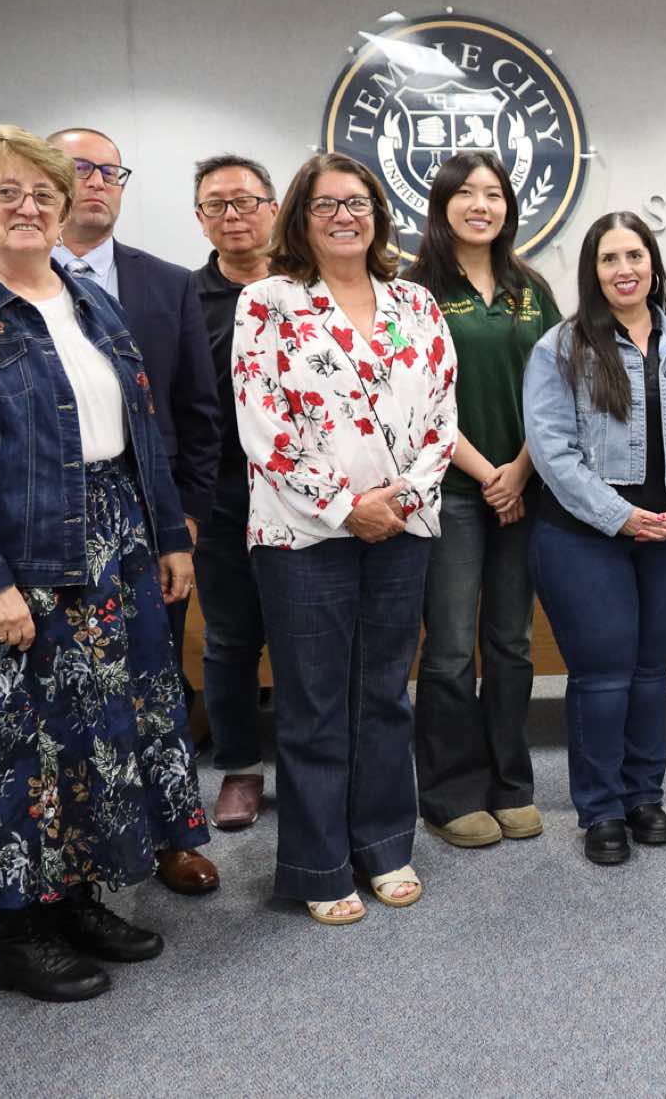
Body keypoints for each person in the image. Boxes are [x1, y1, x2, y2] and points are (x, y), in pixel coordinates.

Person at [0, 124, 206, 1002]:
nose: (28, 207)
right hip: (9, 558)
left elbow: (139, 431)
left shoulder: (87, 299)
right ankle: (18, 935)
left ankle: (78, 899)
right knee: (13, 749)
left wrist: (168, 535)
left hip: (112, 547)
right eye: (6, 191)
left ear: (63, 212)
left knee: (97, 739)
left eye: (44, 194)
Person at [232, 153, 457, 925]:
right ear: (301, 216)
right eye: (325, 204)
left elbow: (442, 416)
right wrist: (344, 506)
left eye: (357, 202)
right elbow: (263, 425)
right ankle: (319, 862)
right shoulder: (268, 302)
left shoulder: (416, 302)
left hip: (403, 526)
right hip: (303, 533)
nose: (343, 217)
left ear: (378, 215)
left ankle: (385, 844)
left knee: (385, 694)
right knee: (314, 701)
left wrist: (399, 500)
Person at [523, 212, 666, 864]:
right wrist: (620, 515)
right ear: (593, 271)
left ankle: (644, 796)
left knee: (649, 672)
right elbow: (553, 452)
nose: (624, 269)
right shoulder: (560, 349)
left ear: (653, 264)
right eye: (609, 258)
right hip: (583, 537)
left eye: (635, 255)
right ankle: (601, 809)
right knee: (603, 675)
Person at [48, 125, 224, 898]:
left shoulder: (166, 283)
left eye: (110, 171)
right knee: (69, 699)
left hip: (148, 520)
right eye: (79, 167)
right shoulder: (4, 287)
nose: (96, 181)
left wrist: (185, 517)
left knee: (156, 685)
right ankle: (86, 852)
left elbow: (197, 410)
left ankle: (173, 836)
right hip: (47, 526)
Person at [404, 152, 562, 849]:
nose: (480, 205)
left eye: (493, 193)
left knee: (511, 644)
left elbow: (560, 387)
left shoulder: (532, 288)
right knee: (447, 651)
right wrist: (489, 473)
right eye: (465, 193)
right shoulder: (415, 290)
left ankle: (510, 784)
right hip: (452, 493)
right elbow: (416, 399)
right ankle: (450, 794)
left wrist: (520, 471)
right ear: (441, 205)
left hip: (525, 489)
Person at [189, 154, 281, 832]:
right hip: (222, 491)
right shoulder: (182, 299)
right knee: (229, 637)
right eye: (216, 204)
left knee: (310, 636)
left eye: (245, 201)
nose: (233, 215)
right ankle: (241, 767)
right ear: (200, 219)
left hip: (309, 492)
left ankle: (312, 762)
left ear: (273, 208)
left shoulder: (309, 287)